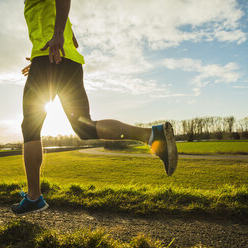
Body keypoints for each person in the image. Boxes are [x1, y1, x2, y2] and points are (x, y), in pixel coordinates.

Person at [11, 0, 178, 215]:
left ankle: (34, 197)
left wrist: (55, 39)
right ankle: (152, 134)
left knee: (30, 127)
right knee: (85, 127)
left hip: (49, 58)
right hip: (65, 60)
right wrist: (53, 42)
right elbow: (74, 42)